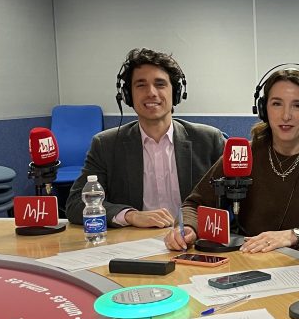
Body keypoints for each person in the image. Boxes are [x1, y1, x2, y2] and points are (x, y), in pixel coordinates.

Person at [165, 66, 299, 254]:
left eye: (298, 105)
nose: (286, 115)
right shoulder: (242, 154)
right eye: (277, 104)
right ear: (263, 109)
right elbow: (194, 205)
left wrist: (295, 235)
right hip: (247, 261)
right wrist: (189, 228)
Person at [66, 48, 224, 228]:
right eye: (141, 85)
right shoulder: (106, 145)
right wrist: (130, 215)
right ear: (128, 95)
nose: (151, 93)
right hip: (135, 240)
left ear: (176, 92)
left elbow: (240, 199)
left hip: (193, 238)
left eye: (160, 84)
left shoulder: (209, 140)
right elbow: (76, 204)